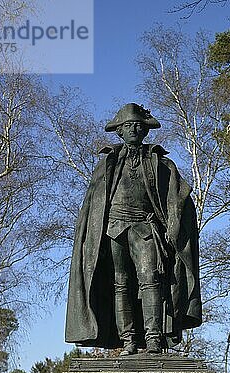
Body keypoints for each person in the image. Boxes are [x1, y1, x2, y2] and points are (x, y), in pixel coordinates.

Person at [65, 103, 202, 355]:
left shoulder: (160, 164)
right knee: (121, 283)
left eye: (139, 125)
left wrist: (173, 225)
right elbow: (93, 206)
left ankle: (153, 338)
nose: (134, 129)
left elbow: (177, 197)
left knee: (151, 280)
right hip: (114, 229)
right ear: (119, 131)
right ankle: (127, 340)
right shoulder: (109, 163)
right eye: (128, 125)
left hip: (146, 227)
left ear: (145, 130)